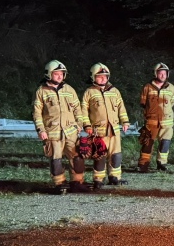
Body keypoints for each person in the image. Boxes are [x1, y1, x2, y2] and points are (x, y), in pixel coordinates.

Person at [32, 60, 90, 193]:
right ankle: (60, 183)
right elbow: (37, 113)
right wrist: (41, 130)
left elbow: (77, 109)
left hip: (71, 131)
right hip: (53, 132)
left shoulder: (69, 89)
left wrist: (79, 124)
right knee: (56, 159)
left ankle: (77, 182)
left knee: (77, 157)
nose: (60, 76)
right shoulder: (41, 91)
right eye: (56, 74)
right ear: (49, 74)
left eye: (62, 74)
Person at [81, 63, 130, 189]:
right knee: (100, 155)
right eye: (99, 76)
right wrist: (87, 126)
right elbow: (83, 111)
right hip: (98, 131)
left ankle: (115, 177)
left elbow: (121, 108)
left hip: (114, 130)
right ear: (93, 77)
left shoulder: (115, 91)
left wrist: (125, 121)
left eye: (105, 76)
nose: (103, 78)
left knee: (116, 155)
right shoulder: (89, 92)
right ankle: (98, 179)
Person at [138, 62, 174, 172]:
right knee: (147, 143)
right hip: (151, 121)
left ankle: (162, 164)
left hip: (167, 121)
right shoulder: (147, 87)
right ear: (156, 74)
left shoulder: (171, 88)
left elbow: (172, 102)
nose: (163, 75)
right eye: (160, 73)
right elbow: (143, 103)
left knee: (165, 142)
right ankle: (143, 164)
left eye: (165, 73)